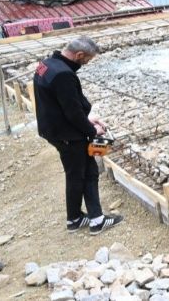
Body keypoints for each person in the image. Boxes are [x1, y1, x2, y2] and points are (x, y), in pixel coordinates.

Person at [34, 36, 123, 235]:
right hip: (68, 135)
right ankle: (97, 221)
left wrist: (89, 118)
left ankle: (74, 218)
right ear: (79, 55)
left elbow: (63, 102)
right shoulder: (64, 75)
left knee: (74, 175)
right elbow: (72, 112)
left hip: (54, 130)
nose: (87, 63)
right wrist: (93, 131)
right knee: (88, 173)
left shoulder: (46, 65)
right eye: (87, 59)